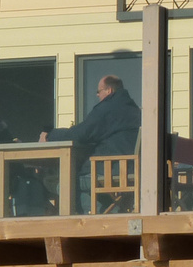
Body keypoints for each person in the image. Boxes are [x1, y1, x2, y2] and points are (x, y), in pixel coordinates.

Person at [41, 75, 141, 212]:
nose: (97, 95)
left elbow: (80, 134)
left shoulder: (108, 108)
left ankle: (102, 215)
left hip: (109, 170)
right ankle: (111, 210)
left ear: (109, 90)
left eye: (99, 91)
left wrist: (50, 135)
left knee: (61, 182)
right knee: (76, 180)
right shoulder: (134, 110)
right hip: (131, 169)